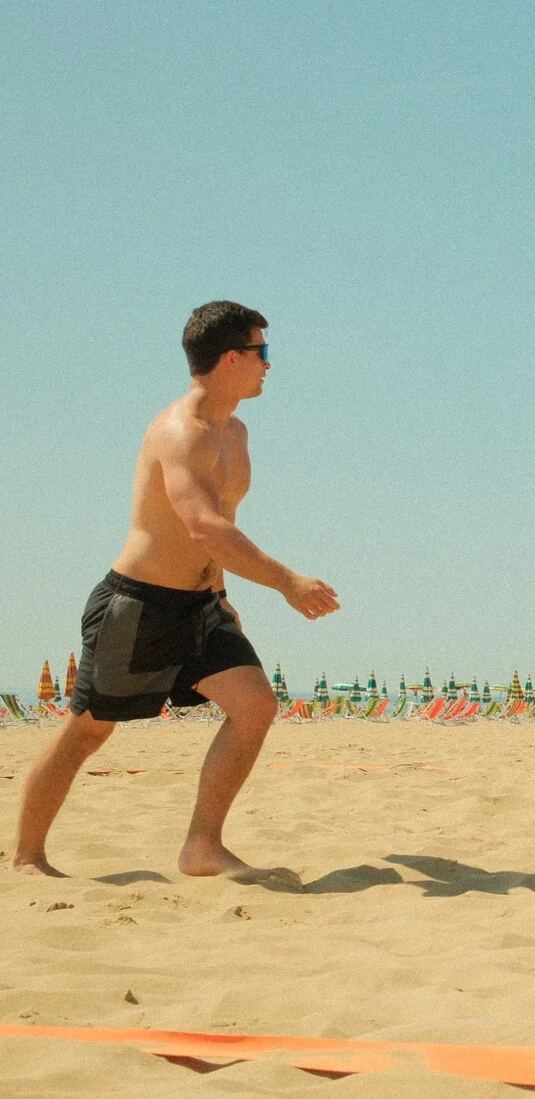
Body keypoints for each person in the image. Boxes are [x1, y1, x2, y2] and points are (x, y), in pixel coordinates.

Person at [12, 302, 339, 879]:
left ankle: (202, 848)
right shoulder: (180, 431)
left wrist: (220, 591)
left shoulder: (235, 432)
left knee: (255, 706)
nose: (270, 364)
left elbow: (217, 529)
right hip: (137, 605)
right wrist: (288, 581)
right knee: (88, 731)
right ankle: (26, 856)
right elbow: (203, 526)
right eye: (262, 352)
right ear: (231, 357)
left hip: (202, 605)